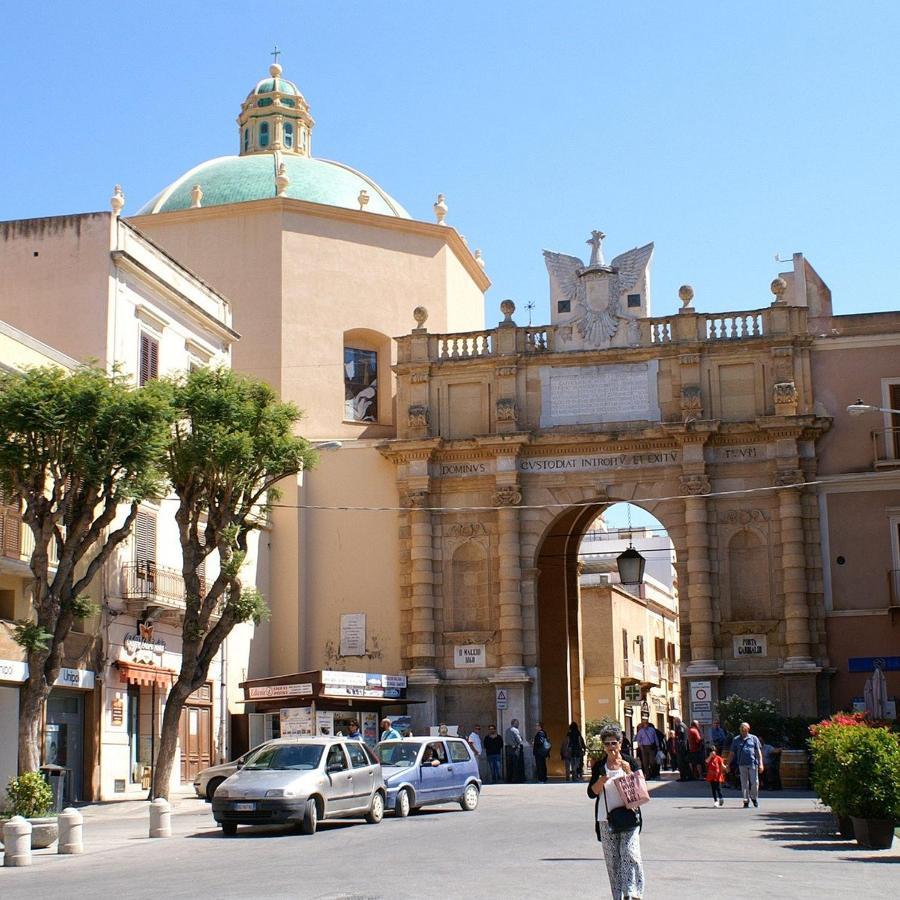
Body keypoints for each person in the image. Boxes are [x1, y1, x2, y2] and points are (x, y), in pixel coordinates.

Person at [588, 723, 645, 900]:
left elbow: (641, 788)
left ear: (620, 744)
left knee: (630, 852)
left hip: (629, 816)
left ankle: (632, 891)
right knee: (613, 861)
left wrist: (628, 770)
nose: (611, 747)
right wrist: (602, 778)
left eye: (614, 743)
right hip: (606, 818)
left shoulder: (630, 762)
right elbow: (592, 793)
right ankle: (618, 895)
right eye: (607, 744)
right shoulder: (599, 766)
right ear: (603, 746)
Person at [725, 722, 764, 808]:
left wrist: (761, 763)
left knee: (755, 782)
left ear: (748, 730)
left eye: (745, 730)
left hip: (753, 763)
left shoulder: (754, 738)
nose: (743, 732)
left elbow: (758, 752)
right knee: (744, 783)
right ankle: (746, 800)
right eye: (742, 730)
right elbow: (732, 753)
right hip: (742, 764)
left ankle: (754, 797)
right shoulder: (736, 739)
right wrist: (727, 764)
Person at [505, 718, 525, 783]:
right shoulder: (515, 730)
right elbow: (519, 740)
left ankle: (509, 779)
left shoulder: (507, 730)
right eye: (517, 723)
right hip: (515, 749)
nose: (518, 724)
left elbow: (506, 740)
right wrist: (521, 740)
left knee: (509, 765)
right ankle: (516, 779)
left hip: (508, 749)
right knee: (516, 765)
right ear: (514, 723)